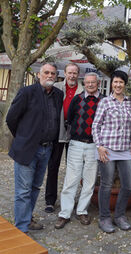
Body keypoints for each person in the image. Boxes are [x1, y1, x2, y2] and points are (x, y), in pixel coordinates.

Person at [6, 63, 63, 232]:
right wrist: (24, 138)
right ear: (39, 75)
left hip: (46, 149)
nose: (50, 76)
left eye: (53, 73)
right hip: (27, 149)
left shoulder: (58, 95)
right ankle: (21, 229)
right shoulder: (27, 92)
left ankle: (27, 218)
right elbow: (11, 119)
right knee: (23, 191)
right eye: (46, 72)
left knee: (35, 187)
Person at [55, 73, 104, 229]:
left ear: (98, 83)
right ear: (85, 83)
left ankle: (82, 211)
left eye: (93, 82)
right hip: (76, 144)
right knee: (71, 180)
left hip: (94, 145)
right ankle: (65, 213)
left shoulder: (104, 100)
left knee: (89, 182)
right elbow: (69, 118)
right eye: (87, 82)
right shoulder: (77, 99)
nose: (90, 85)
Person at [92, 70, 131, 233]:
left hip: (125, 149)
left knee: (128, 184)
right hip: (107, 149)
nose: (118, 85)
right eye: (115, 82)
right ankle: (104, 218)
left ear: (125, 85)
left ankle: (119, 216)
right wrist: (99, 146)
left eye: (121, 82)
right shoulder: (105, 102)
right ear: (111, 84)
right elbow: (95, 126)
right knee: (106, 184)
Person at [45, 63, 83, 213]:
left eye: (75, 73)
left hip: (75, 135)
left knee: (73, 170)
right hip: (57, 132)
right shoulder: (56, 88)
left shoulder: (83, 90)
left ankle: (69, 199)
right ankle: (50, 200)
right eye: (70, 73)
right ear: (65, 73)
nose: (72, 76)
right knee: (53, 166)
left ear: (78, 74)